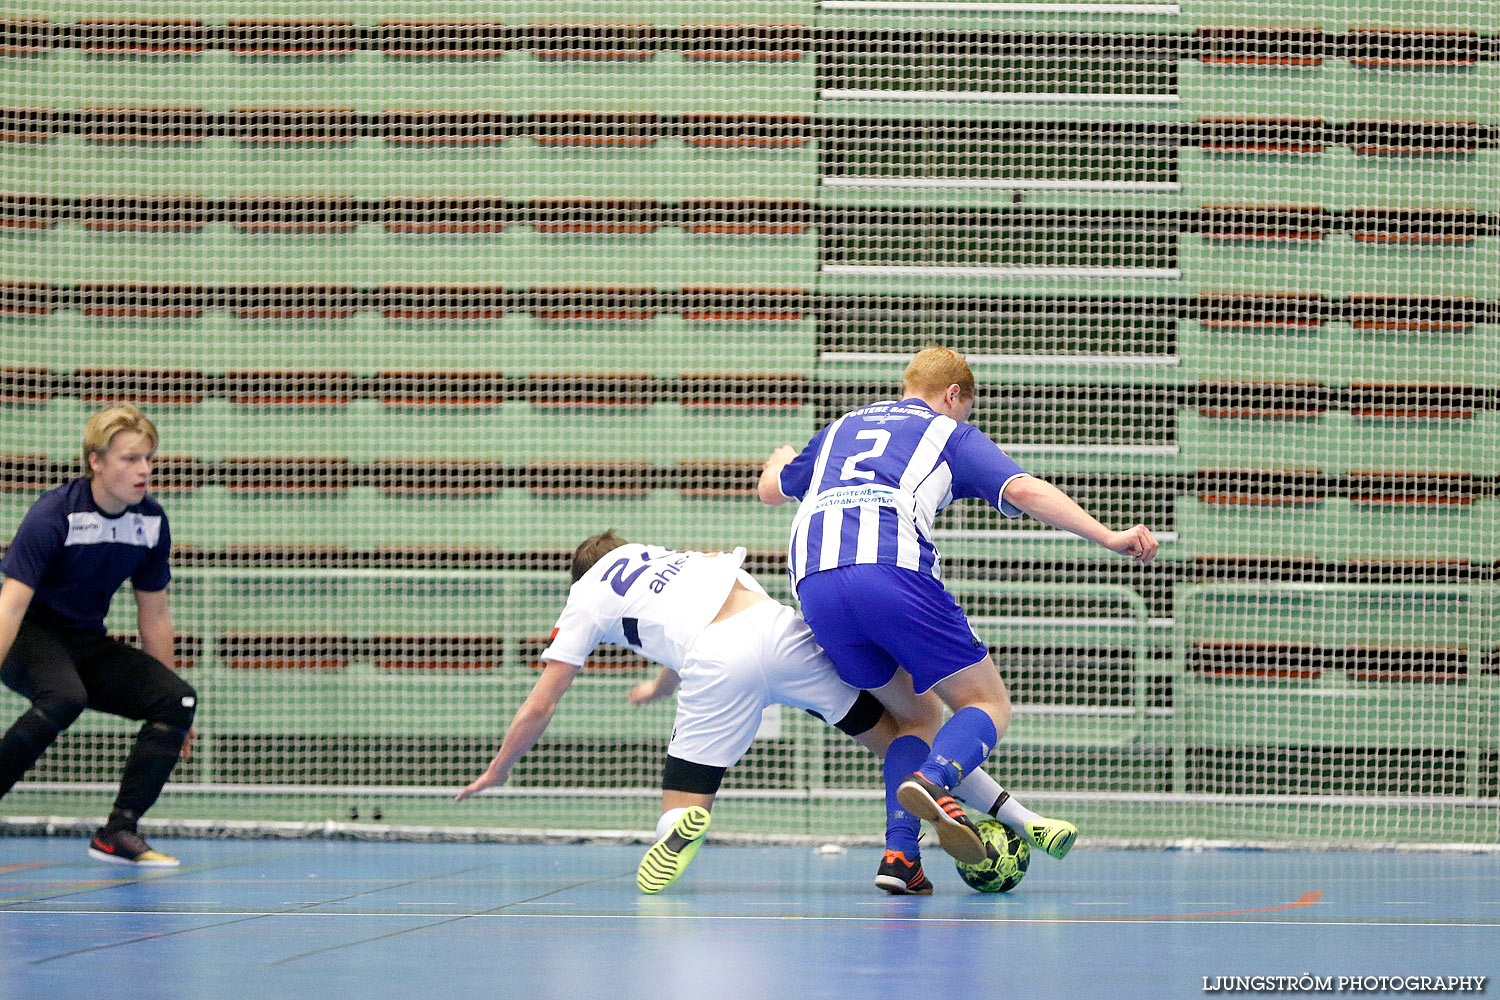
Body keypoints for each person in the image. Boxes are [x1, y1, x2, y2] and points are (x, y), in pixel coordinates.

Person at [456, 531, 1045, 895]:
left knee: (685, 803)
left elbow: (541, 703)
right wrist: (659, 688)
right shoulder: (674, 557)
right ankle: (967, 810)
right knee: (902, 735)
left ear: (584, 574)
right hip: (779, 630)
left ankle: (676, 828)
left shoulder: (585, 594)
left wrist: (501, 767)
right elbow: (697, 608)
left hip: (713, 664)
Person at [758, 346, 1158, 866]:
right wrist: (1107, 536)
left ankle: (900, 858)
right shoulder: (947, 432)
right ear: (953, 395)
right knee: (986, 703)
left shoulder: (839, 428)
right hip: (891, 571)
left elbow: (771, 491)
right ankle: (937, 778)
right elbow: (1024, 490)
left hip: (813, 584)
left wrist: (779, 462)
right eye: (965, 407)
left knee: (917, 717)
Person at [0, 404, 196, 867]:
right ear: (96, 461)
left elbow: (155, 614)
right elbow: (11, 602)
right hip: (29, 635)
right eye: (130, 459)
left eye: (149, 458)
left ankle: (118, 831)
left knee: (179, 702)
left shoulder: (150, 522)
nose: (144, 469)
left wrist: (163, 695)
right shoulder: (55, 515)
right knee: (64, 695)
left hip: (86, 641)